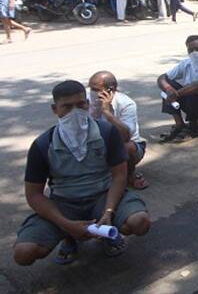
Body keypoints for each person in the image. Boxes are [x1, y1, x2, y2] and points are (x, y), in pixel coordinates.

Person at [13, 81, 150, 266]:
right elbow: (34, 195)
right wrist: (65, 223)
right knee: (24, 253)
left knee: (139, 222)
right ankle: (68, 237)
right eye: (67, 107)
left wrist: (108, 211)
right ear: (55, 109)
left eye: (80, 105)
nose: (75, 112)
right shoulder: (43, 145)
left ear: (87, 104)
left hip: (103, 196)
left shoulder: (106, 132)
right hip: (64, 203)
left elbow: (119, 175)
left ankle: (108, 231)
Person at [88, 71, 148, 190]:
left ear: (111, 89)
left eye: (95, 89)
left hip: (123, 145)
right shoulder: (86, 100)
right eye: (91, 88)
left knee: (127, 147)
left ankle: (127, 175)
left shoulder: (126, 104)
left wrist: (107, 113)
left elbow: (126, 137)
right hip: (96, 144)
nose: (92, 92)